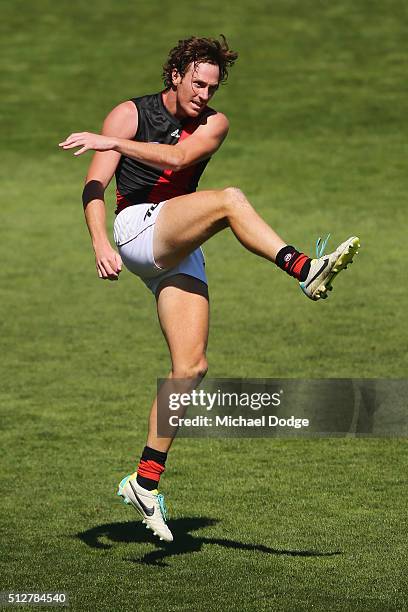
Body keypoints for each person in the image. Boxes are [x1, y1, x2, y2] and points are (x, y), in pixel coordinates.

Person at [59, 35, 360, 543]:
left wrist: (116, 144)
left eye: (212, 86)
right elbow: (95, 187)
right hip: (136, 229)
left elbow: (178, 162)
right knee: (229, 200)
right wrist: (97, 242)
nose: (203, 93)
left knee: (191, 368)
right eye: (196, 82)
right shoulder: (129, 114)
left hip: (177, 239)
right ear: (175, 74)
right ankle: (303, 267)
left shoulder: (213, 123)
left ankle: (145, 482)